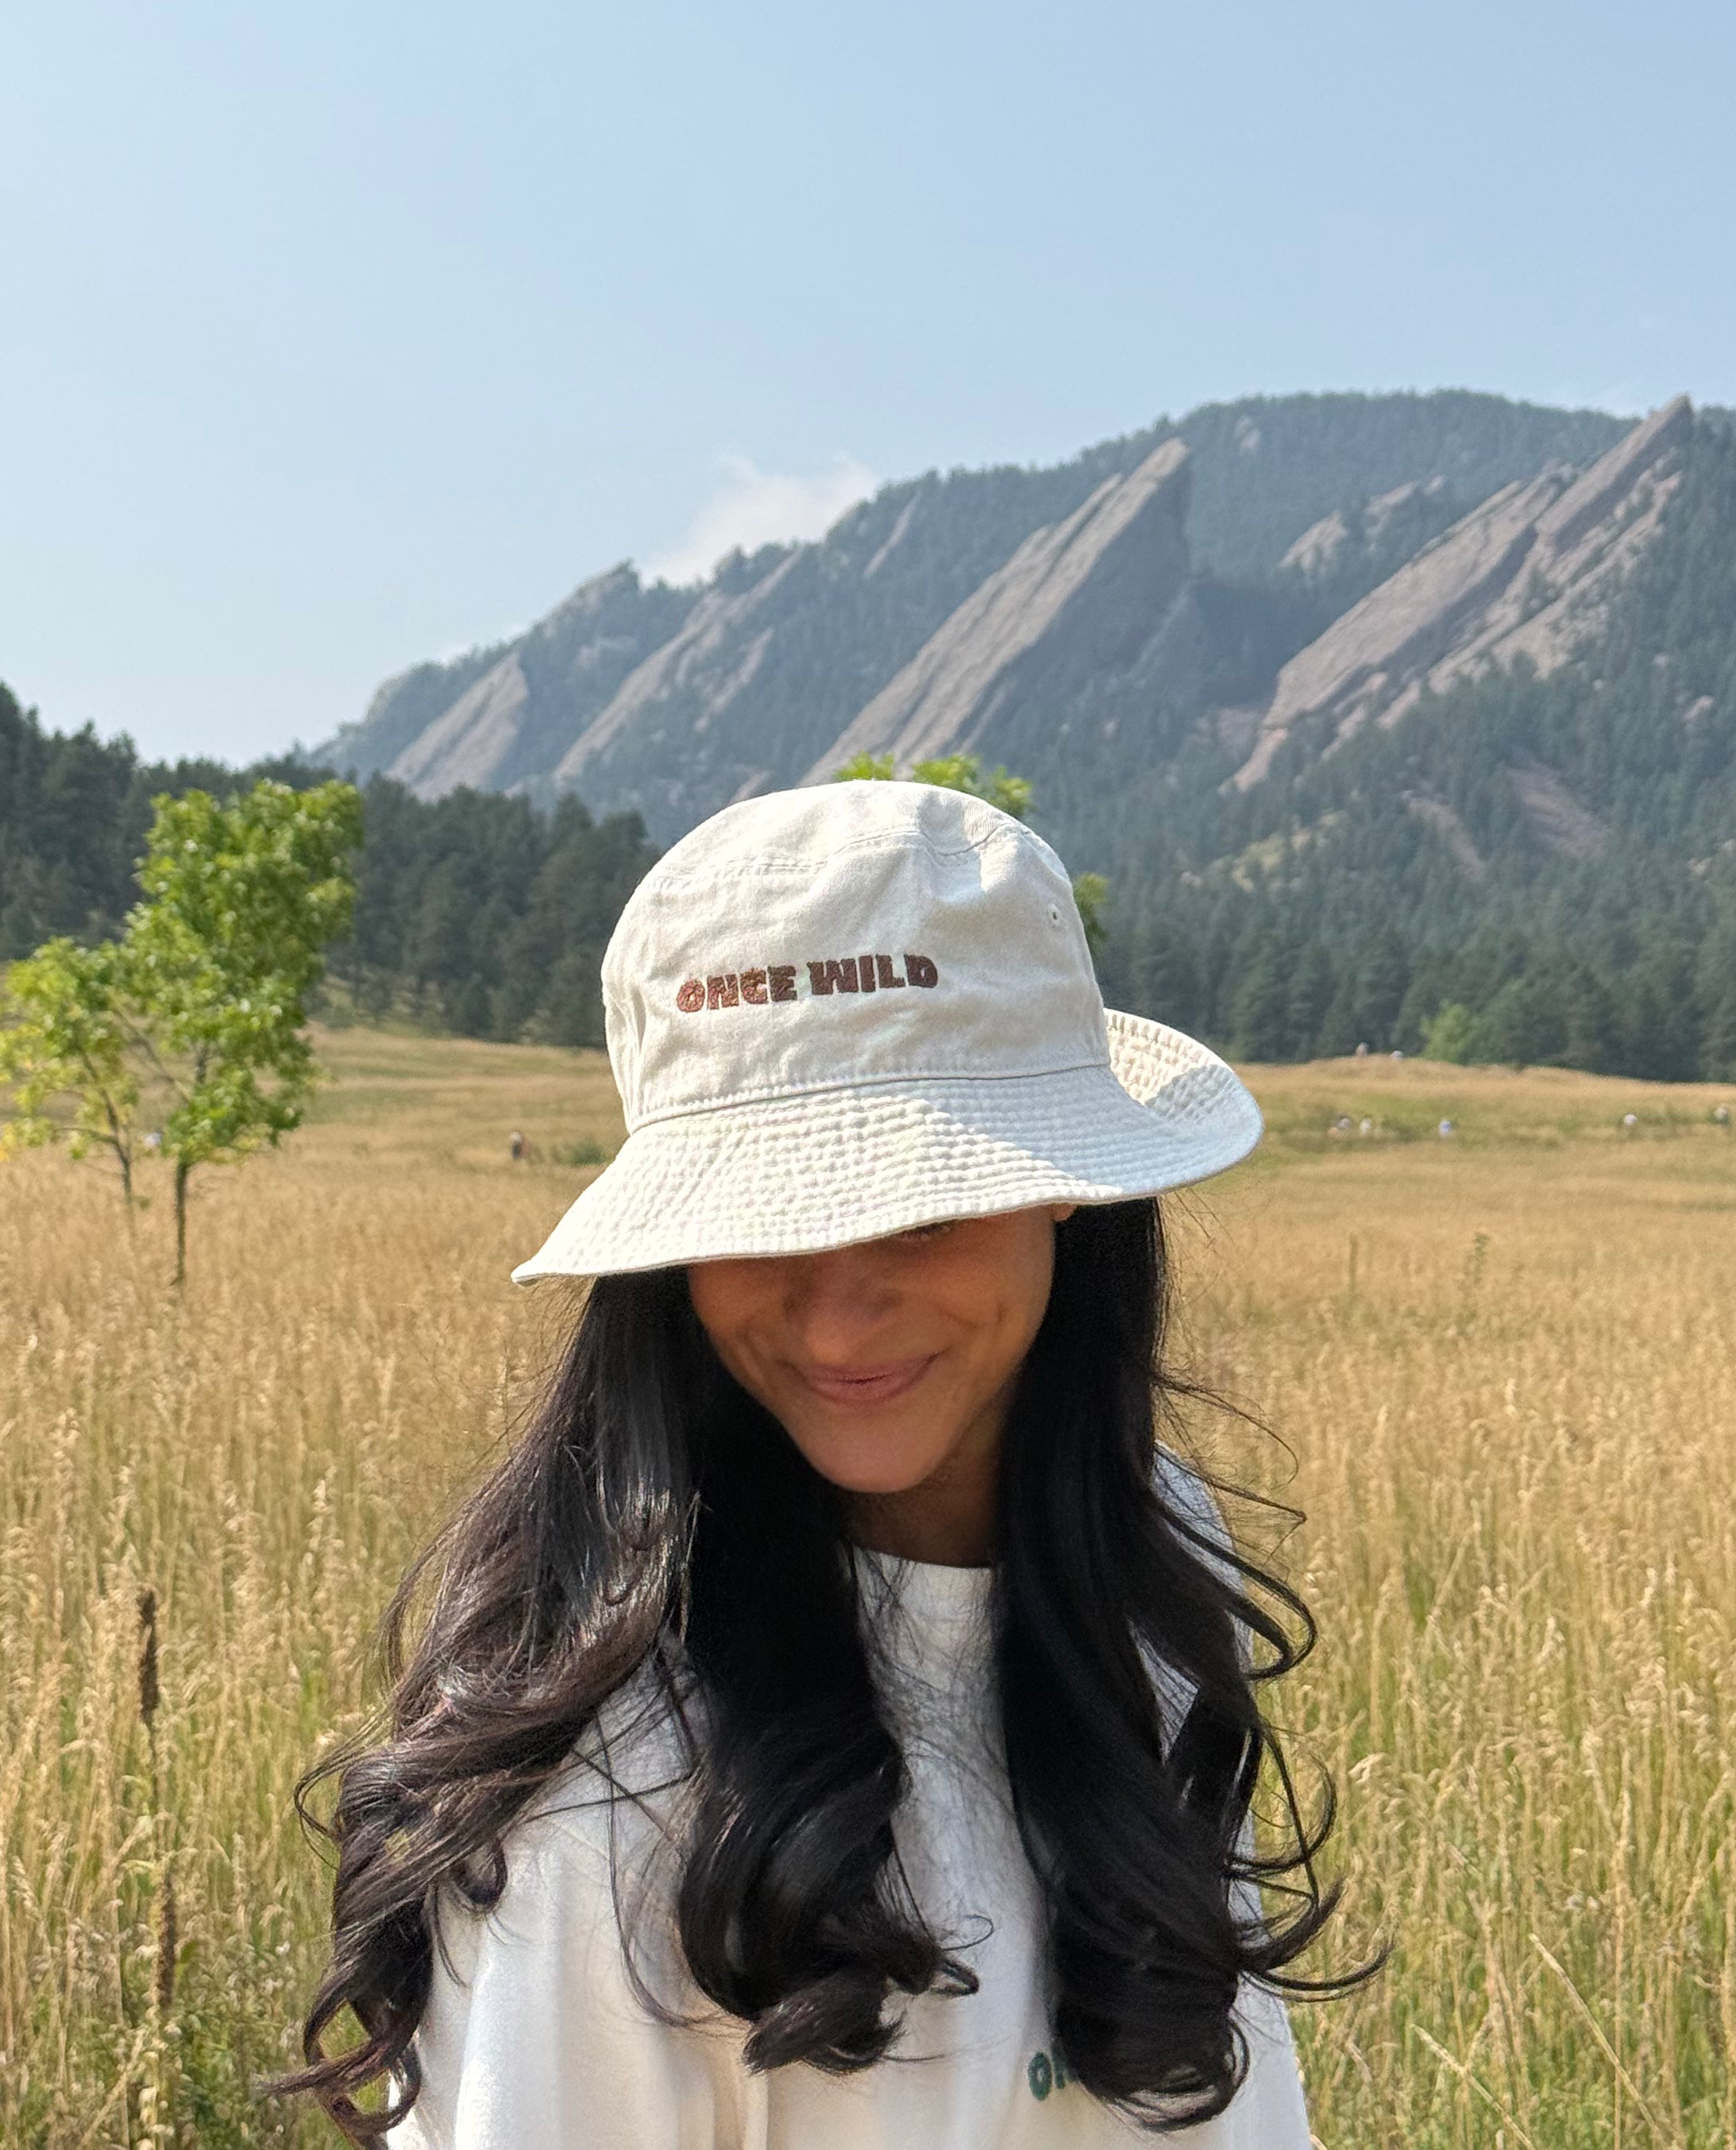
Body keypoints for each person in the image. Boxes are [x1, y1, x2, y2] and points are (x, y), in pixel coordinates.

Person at [291, 779, 1346, 2144]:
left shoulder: (1148, 1562)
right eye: (765, 1222)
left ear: (1068, 1196)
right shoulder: (608, 1796)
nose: (840, 1315)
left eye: (923, 1211)